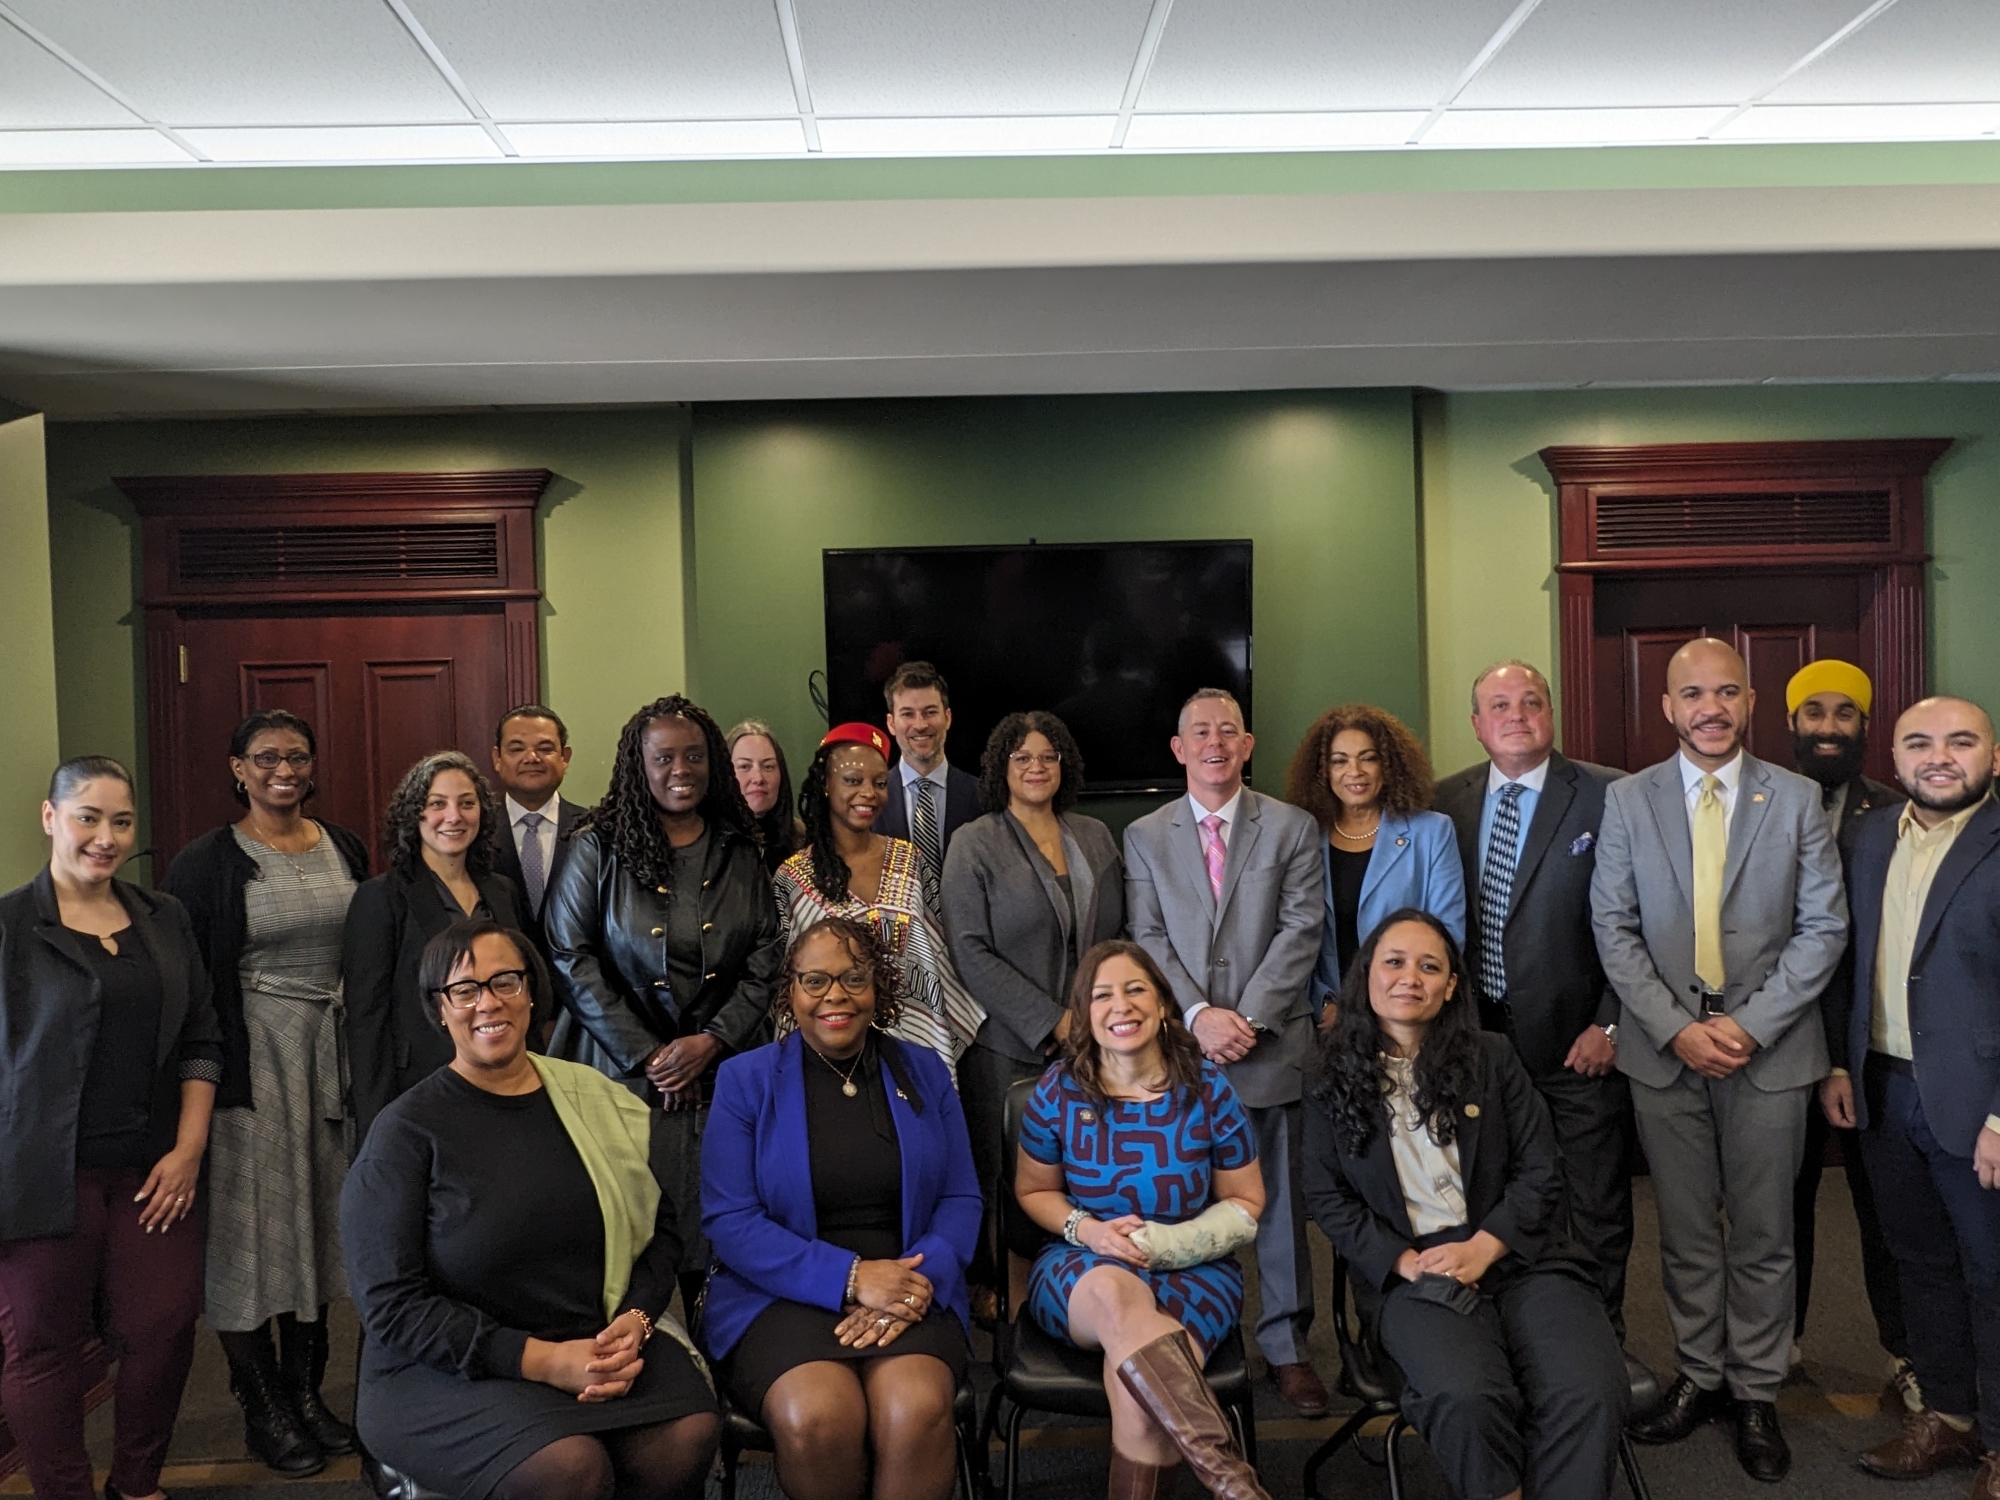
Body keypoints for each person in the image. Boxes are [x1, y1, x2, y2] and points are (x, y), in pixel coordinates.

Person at [342, 920, 719, 1500]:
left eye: (505, 982)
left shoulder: (592, 1097)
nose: (488, 1002)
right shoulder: (406, 1132)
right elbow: (391, 1305)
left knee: (686, 1433)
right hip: (447, 1367)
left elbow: (659, 1230)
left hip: (593, 1337)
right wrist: (542, 1361)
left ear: (532, 993)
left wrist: (638, 1318)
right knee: (570, 1468)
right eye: (464, 990)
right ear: (439, 1008)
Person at [1591, 637, 1845, 1482]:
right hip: (1666, 1054)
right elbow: (1614, 929)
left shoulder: (1797, 797)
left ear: (1750, 702)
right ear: (1668, 706)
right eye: (1694, 694)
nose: (1711, 708)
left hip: (1769, 1053)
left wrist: (1748, 1027)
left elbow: (1824, 928)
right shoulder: (1628, 800)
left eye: (1727, 692)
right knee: (1689, 1231)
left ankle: (1757, 1391)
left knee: (1767, 1233)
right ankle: (1700, 1374)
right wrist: (1677, 1030)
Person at [1304, 909, 1628, 1500]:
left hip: (1520, 1251)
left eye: (1430, 967)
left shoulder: (1493, 1057)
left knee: (1588, 1391)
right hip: (1414, 1271)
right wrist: (1402, 1262)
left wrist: (1485, 1246)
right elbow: (1327, 1196)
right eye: (1394, 962)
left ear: (1452, 985)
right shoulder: (1328, 1075)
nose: (1410, 978)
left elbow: (1541, 1167)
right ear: (1366, 975)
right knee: (1467, 1397)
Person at [0, 756, 221, 1500]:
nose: (106, 837)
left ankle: (136, 1485)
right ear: (50, 817)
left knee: (164, 1329)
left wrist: (189, 1148)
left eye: (121, 822)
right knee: (43, 1346)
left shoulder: (165, 917)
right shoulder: (8, 926)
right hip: (38, 1176)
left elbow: (201, 1038)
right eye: (88, 817)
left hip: (153, 1169)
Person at [701, 917, 978, 1500]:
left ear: (878, 986)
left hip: (910, 1283)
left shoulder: (924, 1070)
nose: (836, 996)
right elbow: (730, 1221)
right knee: (819, 1417)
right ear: (791, 990)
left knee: (914, 1408)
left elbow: (960, 1197)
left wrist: (912, 1283)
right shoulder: (744, 1080)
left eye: (854, 978)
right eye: (816, 980)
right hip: (779, 1294)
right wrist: (851, 1278)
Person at [161, 710, 370, 1476]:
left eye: (297, 756)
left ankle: (306, 1394)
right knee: (251, 1237)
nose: (284, 770)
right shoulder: (204, 863)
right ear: (238, 768)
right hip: (250, 1067)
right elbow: (189, 986)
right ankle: (263, 1407)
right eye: (266, 757)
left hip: (329, 1062)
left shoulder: (343, 845)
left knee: (318, 1227)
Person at [1124, 688, 1329, 1417]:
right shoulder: (1144, 835)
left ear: (1247, 745)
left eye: (1228, 731)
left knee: (1277, 1207)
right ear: (1178, 749)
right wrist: (1198, 1017)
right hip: (1182, 1052)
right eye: (1200, 732)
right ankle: (1189, 1335)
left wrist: (1245, 1019)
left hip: (1269, 1044)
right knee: (1179, 1200)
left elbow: (1302, 928)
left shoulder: (1292, 826)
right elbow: (1146, 935)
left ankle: (1287, 1347)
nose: (1214, 743)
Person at [545, 695, 783, 1316]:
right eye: (664, 758)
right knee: (624, 1243)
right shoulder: (595, 845)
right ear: (639, 765)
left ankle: (722, 1353)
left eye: (695, 756)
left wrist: (712, 1041)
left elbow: (766, 956)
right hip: (618, 1075)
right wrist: (651, 1055)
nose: (682, 770)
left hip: (722, 1075)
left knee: (717, 1237)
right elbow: (569, 955)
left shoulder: (740, 848)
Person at [1015, 939, 1271, 1500]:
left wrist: (1173, 1244)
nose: (1121, 1006)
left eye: (1136, 990)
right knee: (1114, 1291)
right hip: (1082, 1262)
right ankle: (1232, 1481)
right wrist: (1092, 1231)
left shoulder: (1208, 1087)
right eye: (1102, 995)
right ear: (1085, 1014)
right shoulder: (1058, 1090)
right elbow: (1034, 1191)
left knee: (1141, 1401)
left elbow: (1246, 1200)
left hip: (1195, 1269)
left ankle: (1231, 1483)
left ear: (1161, 1003)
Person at [1826, 696, 2000, 1496]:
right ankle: (1950, 1418)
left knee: (1992, 1273)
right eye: (1920, 743)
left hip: (1980, 1105)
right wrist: (1839, 1066)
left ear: (1993, 757)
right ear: (1893, 760)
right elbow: (1848, 959)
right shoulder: (1867, 837)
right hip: (1884, 1091)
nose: (1939, 756)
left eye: (1960, 741)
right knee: (1920, 1263)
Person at [1431, 662, 1635, 1340]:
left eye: (1530, 701)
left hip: (1580, 1044)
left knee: (1594, 1202)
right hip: (1478, 1044)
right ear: (1477, 724)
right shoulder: (1445, 802)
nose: (1516, 715)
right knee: (1490, 1196)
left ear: (1552, 712)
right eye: (1499, 705)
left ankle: (1600, 1340)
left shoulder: (1611, 795)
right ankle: (1515, 1337)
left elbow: (1642, 918)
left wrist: (1611, 1022)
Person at [941, 710, 1125, 1322]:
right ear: (1002, 767)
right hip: (1008, 1044)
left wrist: (1094, 1018)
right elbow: (969, 950)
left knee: (1085, 1167)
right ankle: (1011, 1301)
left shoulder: (1094, 835)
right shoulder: (974, 842)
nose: (1037, 767)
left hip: (1096, 1041)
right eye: (1022, 757)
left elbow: (1118, 933)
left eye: (1049, 756)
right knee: (1009, 1175)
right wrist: (1053, 1021)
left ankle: (1082, 1292)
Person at [1782, 660, 1914, 1402]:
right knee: (1778, 1210)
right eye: (1814, 712)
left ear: (1866, 725)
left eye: (1844, 713)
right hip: (1778, 1041)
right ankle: (1779, 1348)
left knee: (1888, 1212)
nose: (1828, 727)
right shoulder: (1764, 802)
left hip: (1869, 1050)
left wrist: (1844, 1056)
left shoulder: (1896, 813)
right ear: (1792, 722)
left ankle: (1909, 1356)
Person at [344, 750, 534, 1144]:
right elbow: (366, 1021)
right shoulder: (380, 898)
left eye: (467, 804)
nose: (454, 816)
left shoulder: (503, 891)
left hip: (506, 1077)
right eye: (437, 804)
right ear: (414, 814)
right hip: (421, 1087)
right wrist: (376, 1125)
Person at [774, 723, 986, 1070]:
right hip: (829, 1045)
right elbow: (785, 982)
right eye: (853, 780)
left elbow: (942, 950)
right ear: (826, 784)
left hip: (915, 1040)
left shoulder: (910, 860)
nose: (868, 793)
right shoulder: (792, 878)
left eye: (879, 783)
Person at [1286, 702, 1465, 1018]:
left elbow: (1447, 936)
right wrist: (1324, 1003)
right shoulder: (1303, 836)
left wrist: (1383, 1008)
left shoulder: (1432, 832)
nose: (1354, 771)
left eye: (1368, 758)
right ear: (1323, 771)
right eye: (1339, 761)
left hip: (1406, 1013)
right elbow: (1292, 936)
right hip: (1326, 1018)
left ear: (1389, 765)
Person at [873, 662, 980, 919]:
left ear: (948, 718)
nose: (920, 725)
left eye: (930, 712)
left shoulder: (982, 796)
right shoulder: (870, 800)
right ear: (891, 723)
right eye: (907, 714)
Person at [489, 703, 583, 940]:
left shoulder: (594, 829)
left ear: (565, 757)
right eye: (517, 749)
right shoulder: (476, 829)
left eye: (545, 748)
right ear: (497, 758)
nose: (531, 758)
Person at [727, 717, 804, 874]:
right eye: (744, 766)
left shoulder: (804, 840)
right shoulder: (706, 842)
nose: (758, 778)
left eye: (768, 767)